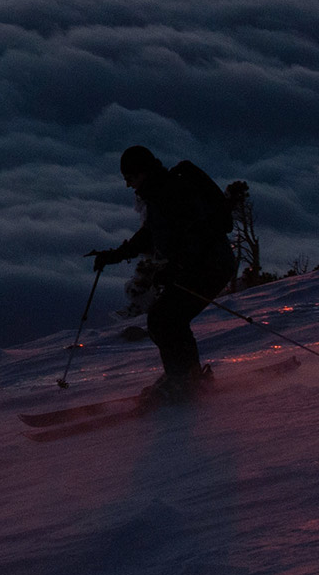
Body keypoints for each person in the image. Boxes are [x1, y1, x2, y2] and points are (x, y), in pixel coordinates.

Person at [90, 145, 237, 397]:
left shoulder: (171, 192)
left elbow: (195, 235)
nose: (129, 185)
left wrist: (177, 267)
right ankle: (186, 375)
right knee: (166, 317)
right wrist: (115, 255)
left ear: (142, 172)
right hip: (207, 264)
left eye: (130, 178)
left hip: (211, 264)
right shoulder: (159, 193)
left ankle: (182, 380)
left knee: (166, 317)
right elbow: (151, 235)